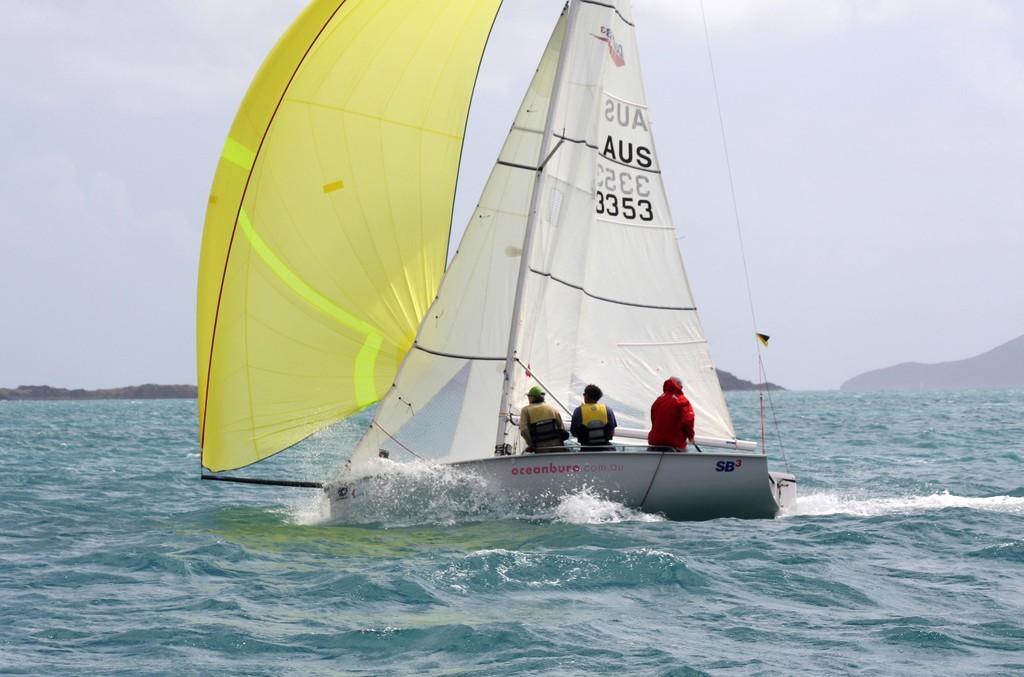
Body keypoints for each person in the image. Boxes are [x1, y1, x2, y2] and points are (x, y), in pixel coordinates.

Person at [648, 376, 695, 451]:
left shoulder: (659, 399)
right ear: (679, 387)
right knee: (686, 454)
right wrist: (691, 436)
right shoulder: (682, 400)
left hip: (656, 441)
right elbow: (688, 420)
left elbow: (653, 418)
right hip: (674, 442)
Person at [519, 386, 567, 453]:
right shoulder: (553, 408)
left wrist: (531, 445)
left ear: (532, 397)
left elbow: (524, 431)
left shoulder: (526, 410)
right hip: (557, 447)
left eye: (529, 397)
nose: (528, 399)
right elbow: (561, 428)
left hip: (541, 449)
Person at [570, 384, 617, 449]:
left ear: (587, 396)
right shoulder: (608, 410)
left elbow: (574, 433)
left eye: (584, 394)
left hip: (586, 449)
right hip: (606, 449)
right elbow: (612, 433)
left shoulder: (578, 411)